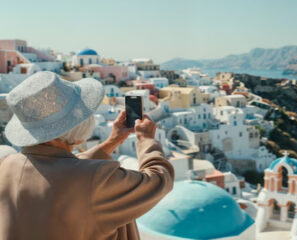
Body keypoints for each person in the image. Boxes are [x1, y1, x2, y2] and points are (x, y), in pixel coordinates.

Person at [0, 71, 174, 240]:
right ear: (73, 125)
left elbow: (61, 171)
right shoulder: (95, 179)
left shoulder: (6, 165)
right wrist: (146, 139)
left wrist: (112, 141)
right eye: (83, 112)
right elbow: (160, 180)